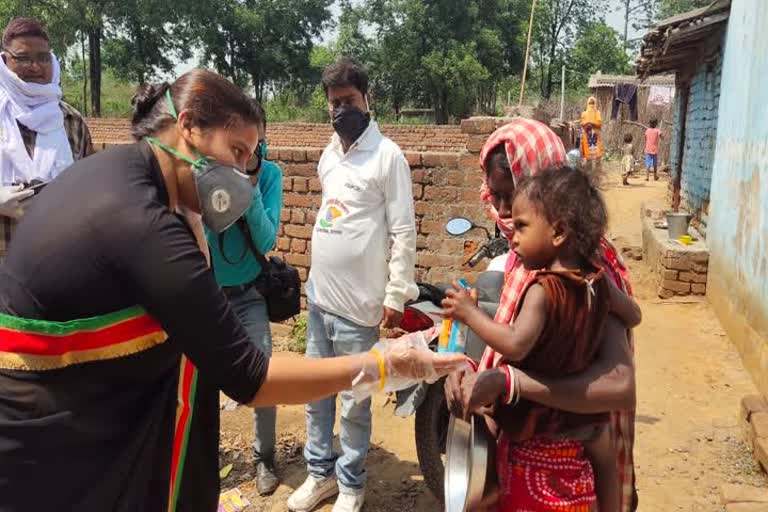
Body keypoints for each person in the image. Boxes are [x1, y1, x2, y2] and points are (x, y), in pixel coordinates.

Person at [0, 68, 464, 512]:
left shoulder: (119, 171)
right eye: (237, 151)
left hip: (68, 405)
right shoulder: (145, 225)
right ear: (188, 127)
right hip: (59, 438)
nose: (244, 172)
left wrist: (195, 215)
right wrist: (385, 364)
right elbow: (250, 377)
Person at [444, 119, 639, 512]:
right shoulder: (524, 263)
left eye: (512, 200)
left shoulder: (589, 268)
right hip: (526, 454)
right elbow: (503, 347)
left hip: (571, 454)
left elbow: (619, 385)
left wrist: (512, 383)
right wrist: (462, 370)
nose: (500, 212)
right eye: (495, 197)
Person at [287, 58, 419, 512]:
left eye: (349, 101)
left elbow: (403, 232)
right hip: (321, 300)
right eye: (334, 103)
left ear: (367, 100)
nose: (341, 109)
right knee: (315, 395)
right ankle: (319, 474)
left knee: (355, 402)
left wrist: (395, 293)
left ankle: (350, 484)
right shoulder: (328, 155)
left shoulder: (388, 157)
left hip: (360, 308)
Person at [204, 99, 283, 495]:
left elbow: (267, 239)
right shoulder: (204, 173)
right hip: (206, 295)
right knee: (200, 378)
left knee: (261, 375)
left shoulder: (269, 176)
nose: (244, 152)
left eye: (252, 143)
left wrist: (245, 189)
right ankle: (205, 455)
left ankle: (264, 456)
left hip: (249, 291)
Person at [0, 17, 93, 260]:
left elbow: (87, 193)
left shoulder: (71, 122)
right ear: (4, 60)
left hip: (54, 264)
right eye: (23, 58)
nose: (35, 66)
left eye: (43, 58)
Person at [580, 96, 603, 176]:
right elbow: (582, 123)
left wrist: (590, 123)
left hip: (593, 136)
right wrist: (589, 123)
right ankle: (592, 173)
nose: (591, 105)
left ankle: (595, 174)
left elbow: (599, 123)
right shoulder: (587, 113)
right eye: (590, 103)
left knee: (594, 156)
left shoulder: (596, 113)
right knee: (591, 155)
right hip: (590, 136)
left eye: (592, 103)